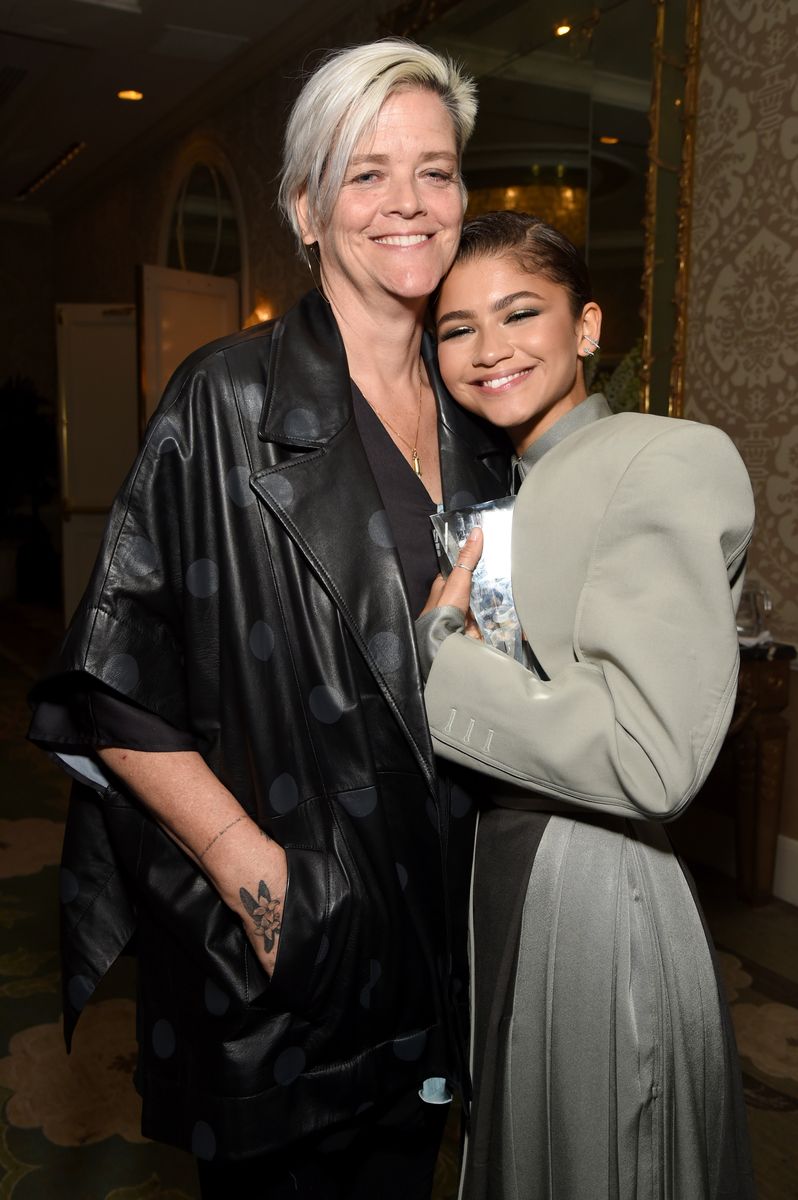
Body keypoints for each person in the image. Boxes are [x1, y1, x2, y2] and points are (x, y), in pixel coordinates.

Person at [28, 41, 509, 1198]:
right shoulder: (226, 398)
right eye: (366, 173)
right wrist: (261, 881)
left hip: (442, 936)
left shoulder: (481, 413)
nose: (408, 203)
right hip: (289, 959)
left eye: (436, 173)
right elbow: (111, 680)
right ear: (304, 206)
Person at [416, 211, 755, 1199]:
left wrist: (438, 660)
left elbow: (653, 756)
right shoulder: (511, 486)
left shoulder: (660, 458)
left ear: (589, 326)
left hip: (594, 883)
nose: (490, 350)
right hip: (509, 866)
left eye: (522, 313)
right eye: (457, 328)